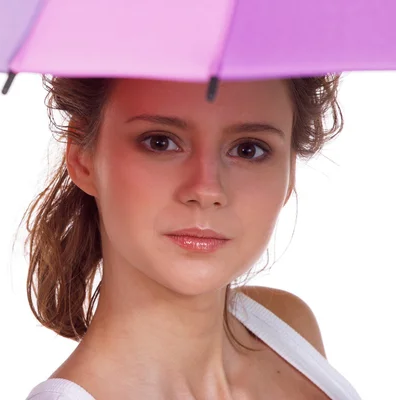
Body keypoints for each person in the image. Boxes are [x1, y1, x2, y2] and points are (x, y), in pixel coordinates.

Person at [22, 76, 361, 399]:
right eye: (160, 142)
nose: (206, 190)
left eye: (248, 149)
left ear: (290, 170)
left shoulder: (288, 326)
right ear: (82, 158)